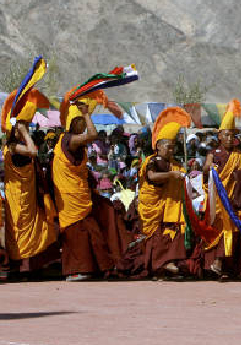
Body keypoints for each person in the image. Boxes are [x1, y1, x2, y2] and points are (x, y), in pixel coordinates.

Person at [53, 91, 120, 281]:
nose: (83, 125)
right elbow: (93, 134)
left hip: (80, 194)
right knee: (77, 233)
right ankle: (76, 269)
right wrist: (86, 113)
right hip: (70, 197)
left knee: (92, 231)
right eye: (80, 122)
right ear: (73, 123)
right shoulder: (69, 140)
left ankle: (94, 267)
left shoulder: (75, 143)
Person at [2, 89, 59, 276]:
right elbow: (33, 152)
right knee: (20, 229)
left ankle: (34, 265)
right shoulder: (12, 146)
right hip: (18, 196)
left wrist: (23, 129)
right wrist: (24, 132)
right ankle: (22, 266)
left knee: (36, 227)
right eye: (23, 125)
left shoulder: (16, 145)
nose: (25, 127)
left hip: (28, 194)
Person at [201, 99, 241, 279]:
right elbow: (206, 169)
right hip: (219, 200)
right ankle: (217, 263)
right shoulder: (213, 154)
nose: (228, 138)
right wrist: (209, 169)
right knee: (223, 229)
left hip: (236, 199)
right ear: (219, 136)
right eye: (226, 134)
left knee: (234, 232)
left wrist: (239, 176)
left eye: (231, 135)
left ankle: (226, 268)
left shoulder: (239, 156)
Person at [133, 107, 194, 278]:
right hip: (153, 206)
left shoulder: (176, 163)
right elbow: (152, 176)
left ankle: (167, 265)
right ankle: (159, 266)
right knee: (155, 237)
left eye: (173, 147)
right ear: (158, 146)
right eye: (168, 147)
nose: (171, 150)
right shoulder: (152, 161)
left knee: (171, 233)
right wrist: (172, 175)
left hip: (171, 206)